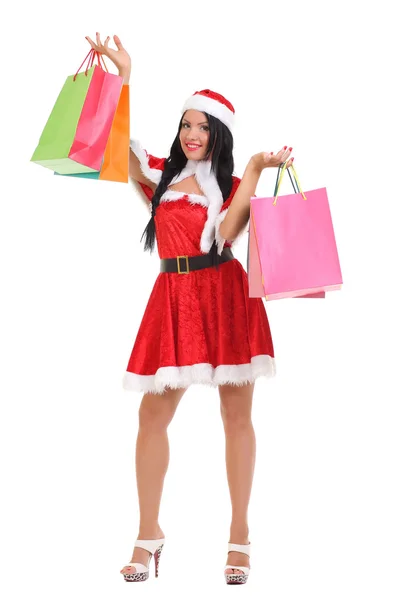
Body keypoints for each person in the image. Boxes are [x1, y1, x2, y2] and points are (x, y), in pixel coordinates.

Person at [86, 33, 294, 585]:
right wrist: (123, 75)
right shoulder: (160, 172)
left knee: (235, 417)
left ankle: (240, 537)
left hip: (223, 296)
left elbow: (225, 234)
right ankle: (148, 537)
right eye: (187, 124)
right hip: (172, 298)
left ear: (218, 134)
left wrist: (252, 170)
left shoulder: (226, 185)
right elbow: (113, 149)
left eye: (204, 127)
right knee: (151, 415)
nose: (193, 135)